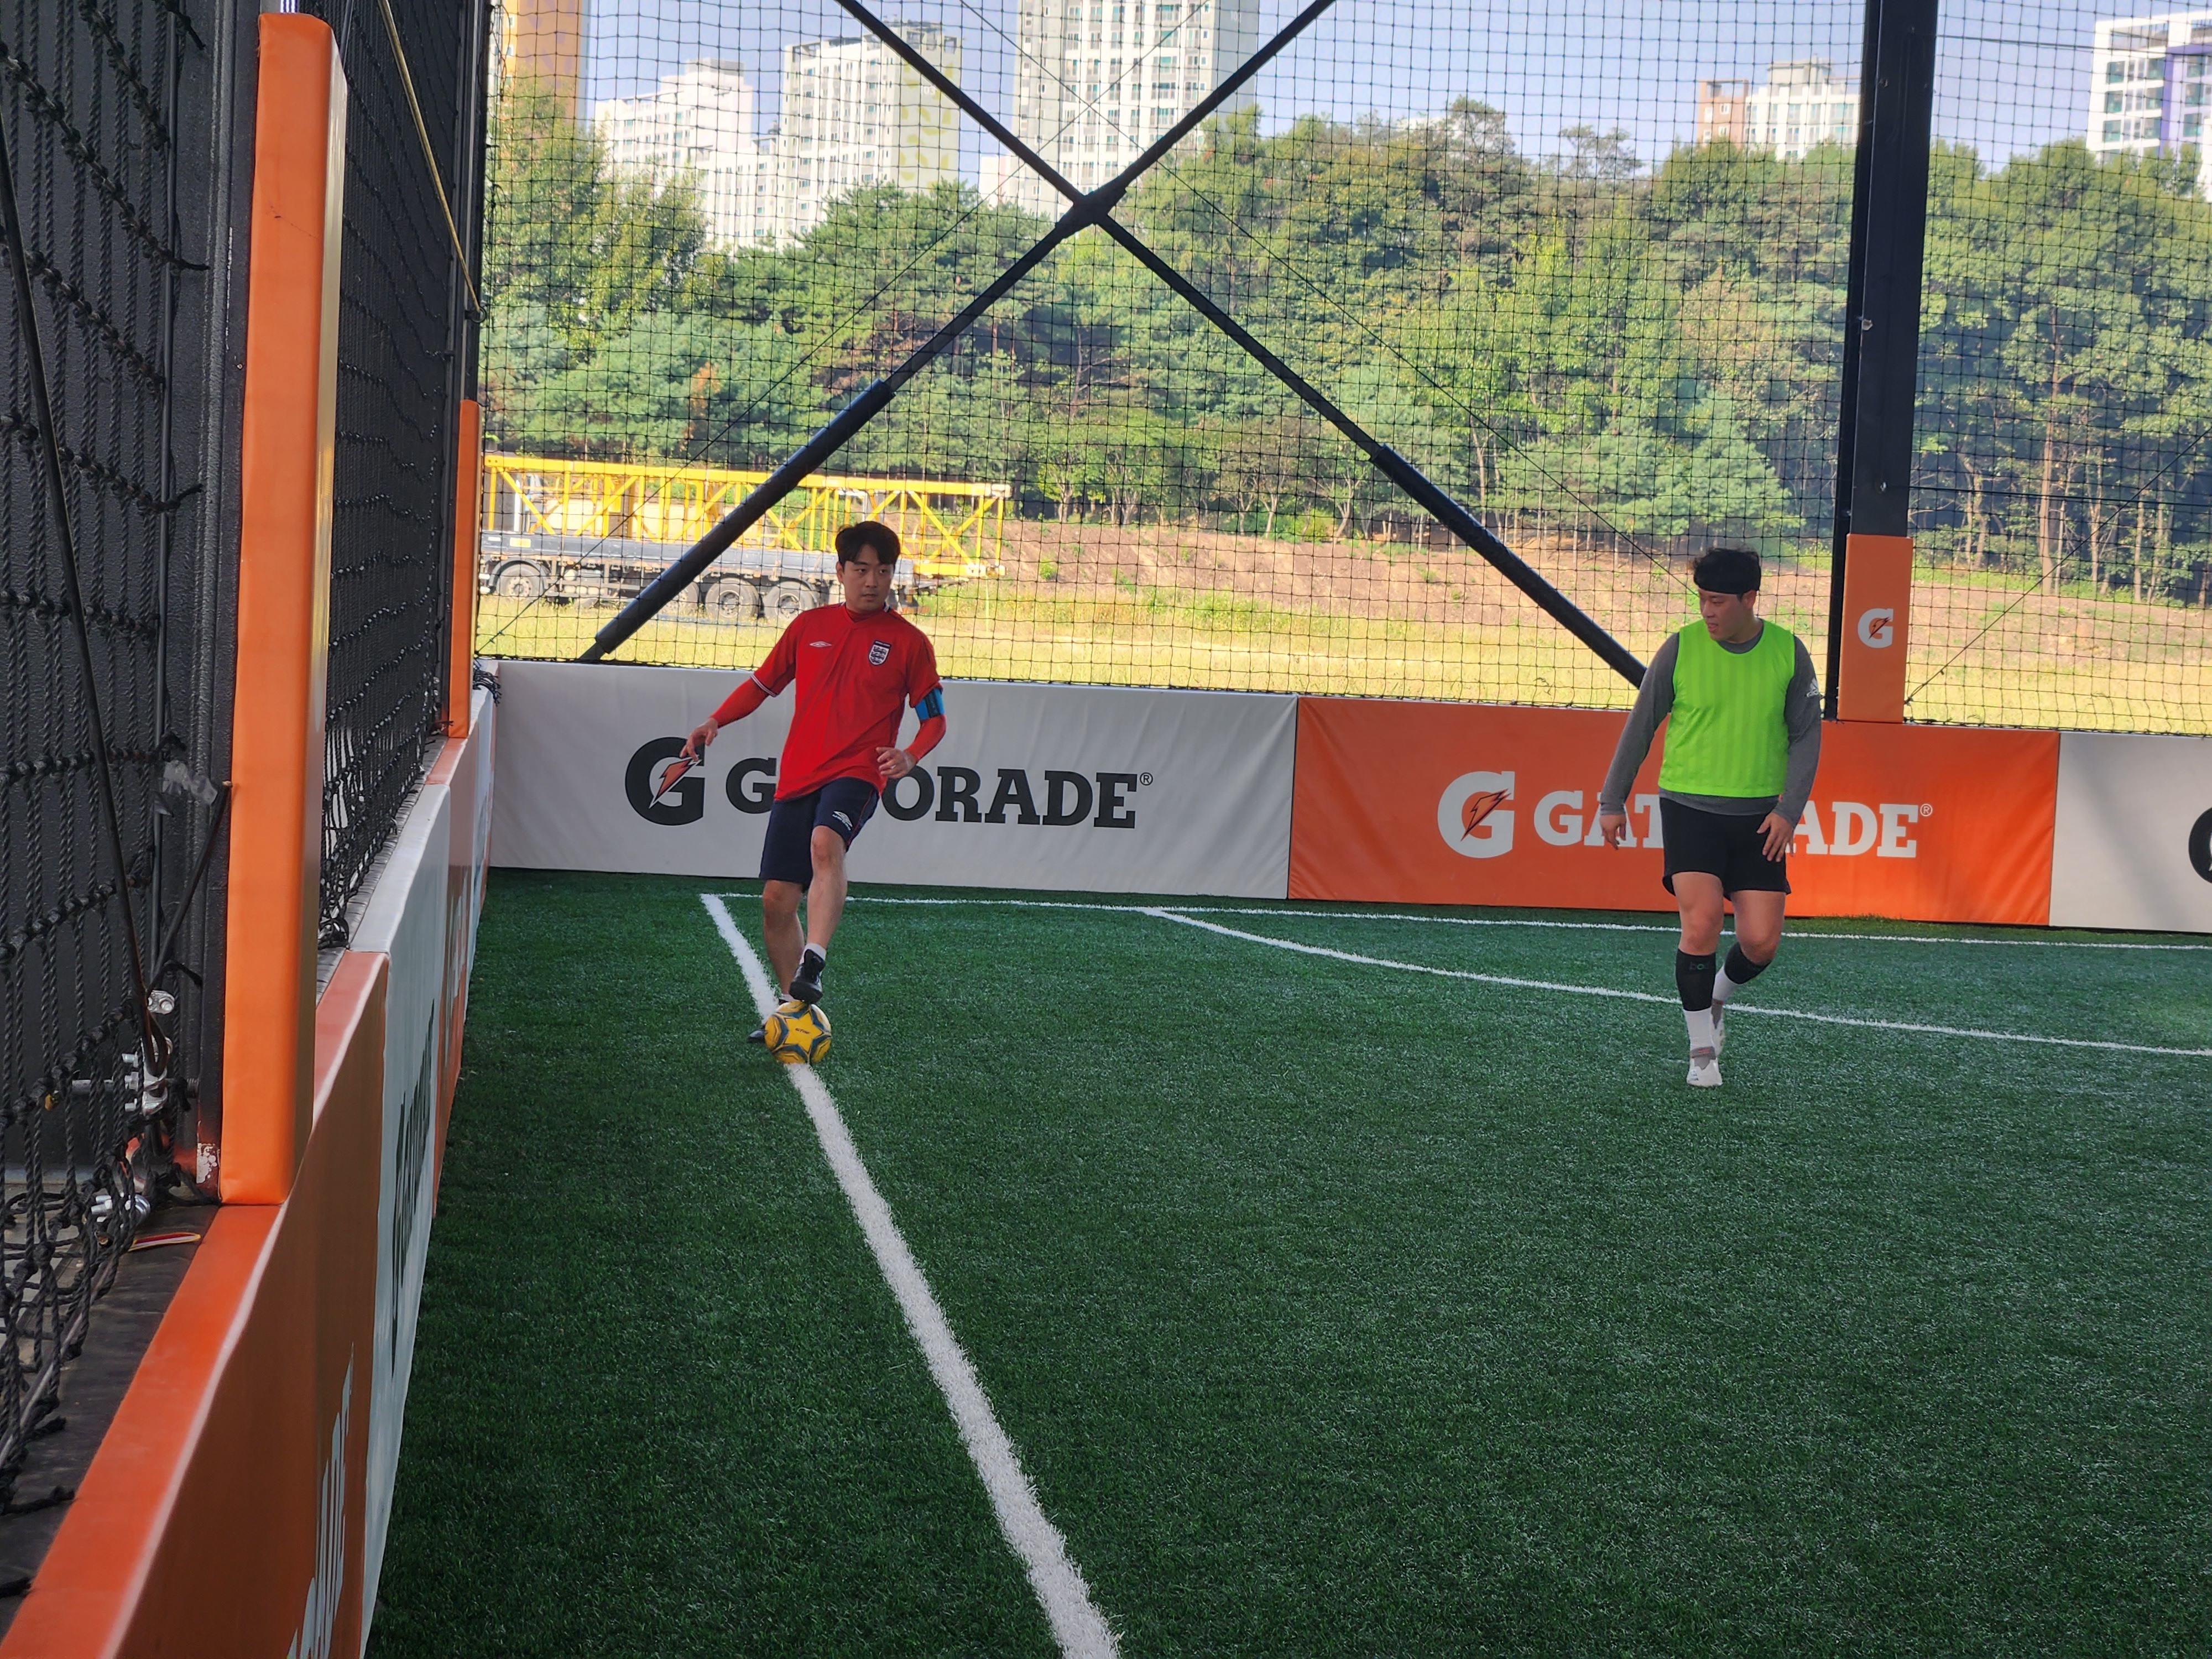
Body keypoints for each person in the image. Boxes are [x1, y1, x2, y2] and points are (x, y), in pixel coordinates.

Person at [681, 521, 945, 1029]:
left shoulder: (911, 643)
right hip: (799, 775)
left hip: (859, 772)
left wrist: (911, 756)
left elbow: (935, 719)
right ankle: (794, 1009)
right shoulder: (808, 627)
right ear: (841, 572)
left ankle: (815, 960)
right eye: (862, 570)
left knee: (826, 843)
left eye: (883, 571)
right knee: (776, 902)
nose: (873, 581)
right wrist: (715, 720)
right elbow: (762, 685)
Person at [1598, 546, 1820, 1088]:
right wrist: (1612, 800)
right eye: (1702, 599)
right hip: (1688, 808)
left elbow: (1806, 737)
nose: (1707, 611)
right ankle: (1702, 1053)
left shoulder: (1789, 653)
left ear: (1750, 598)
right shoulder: (1679, 649)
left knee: (1760, 943)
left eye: (1718, 601)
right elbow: (1641, 725)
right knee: (1700, 926)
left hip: (1760, 818)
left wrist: (1789, 810)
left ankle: (1716, 998)